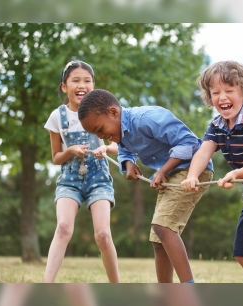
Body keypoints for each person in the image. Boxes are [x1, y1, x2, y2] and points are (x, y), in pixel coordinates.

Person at [78, 89, 214, 283]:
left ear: (114, 112)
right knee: (158, 240)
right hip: (172, 174)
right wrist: (128, 163)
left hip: (192, 169)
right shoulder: (121, 133)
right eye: (96, 134)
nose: (103, 136)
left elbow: (189, 142)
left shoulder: (146, 119)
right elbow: (125, 149)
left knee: (163, 227)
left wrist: (163, 170)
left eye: (100, 129)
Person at [180, 61, 243, 281]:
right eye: (216, 92)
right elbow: (203, 153)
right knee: (242, 254)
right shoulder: (217, 126)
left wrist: (235, 174)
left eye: (229, 90)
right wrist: (192, 176)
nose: (222, 97)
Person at [43, 60, 119, 283]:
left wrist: (106, 147)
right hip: (70, 179)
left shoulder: (106, 112)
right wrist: (71, 151)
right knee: (64, 227)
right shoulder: (57, 116)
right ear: (64, 86)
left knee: (103, 235)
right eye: (75, 80)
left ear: (93, 85)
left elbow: (118, 145)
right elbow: (56, 157)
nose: (81, 85)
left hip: (99, 179)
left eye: (87, 80)